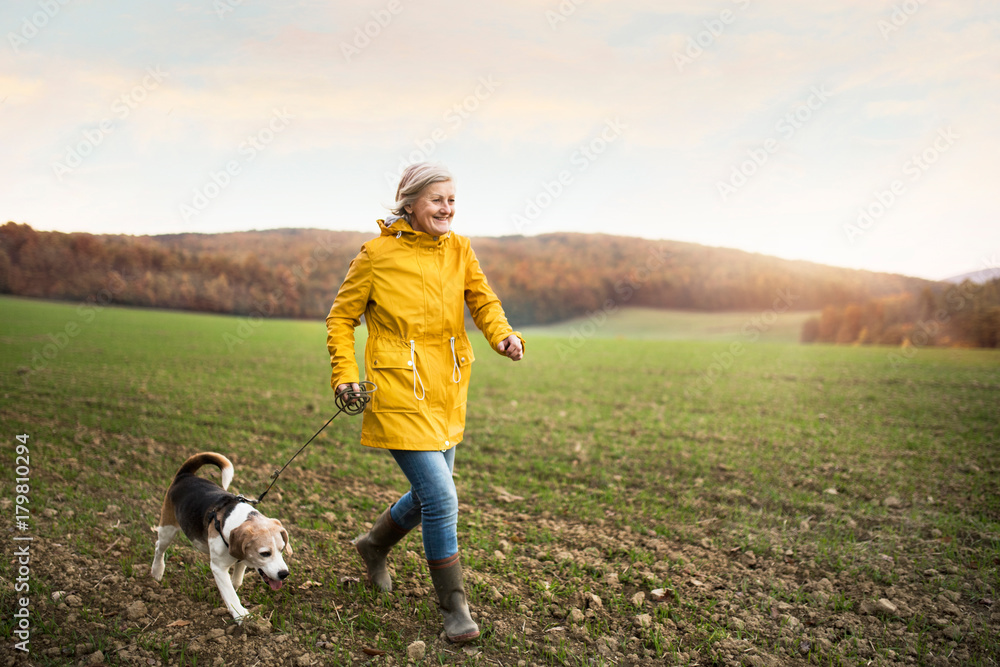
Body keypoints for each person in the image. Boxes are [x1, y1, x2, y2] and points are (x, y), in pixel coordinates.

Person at [325, 162, 524, 643]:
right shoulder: (375, 255)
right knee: (441, 497)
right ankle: (455, 607)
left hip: (447, 387)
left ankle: (373, 546)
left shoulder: (460, 249)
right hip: (396, 390)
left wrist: (502, 335)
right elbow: (340, 318)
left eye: (452, 200)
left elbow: (483, 301)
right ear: (410, 202)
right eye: (437, 200)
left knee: (430, 494)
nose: (447, 209)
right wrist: (345, 375)